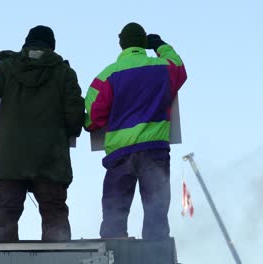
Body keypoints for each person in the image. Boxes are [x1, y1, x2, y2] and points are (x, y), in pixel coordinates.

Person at [0, 25, 85, 242]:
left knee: (6, 210)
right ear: (52, 46)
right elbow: (75, 117)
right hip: (50, 158)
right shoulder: (64, 72)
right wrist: (65, 132)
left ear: (26, 43)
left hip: (10, 157)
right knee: (54, 211)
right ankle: (58, 258)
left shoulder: (7, 67)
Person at [84, 22, 187, 240]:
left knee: (115, 212)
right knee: (156, 211)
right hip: (154, 151)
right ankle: (155, 254)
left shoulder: (106, 76)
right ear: (144, 43)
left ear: (121, 44)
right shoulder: (163, 69)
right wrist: (160, 45)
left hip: (120, 155)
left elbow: (93, 119)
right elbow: (179, 67)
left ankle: (114, 250)